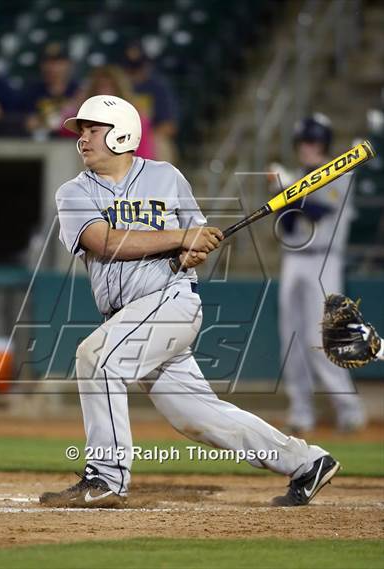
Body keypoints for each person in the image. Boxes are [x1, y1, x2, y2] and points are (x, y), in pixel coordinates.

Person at [40, 95, 340, 509]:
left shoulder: (166, 177)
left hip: (171, 303)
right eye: (81, 132)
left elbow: (196, 236)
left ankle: (106, 476)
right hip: (128, 315)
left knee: (96, 358)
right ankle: (306, 462)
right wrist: (181, 239)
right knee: (197, 416)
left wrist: (195, 248)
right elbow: (103, 242)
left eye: (93, 130)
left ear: (123, 133)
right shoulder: (73, 192)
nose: (83, 139)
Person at [273, 114, 365, 434]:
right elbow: (286, 223)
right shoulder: (297, 177)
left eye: (313, 142)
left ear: (324, 144)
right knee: (292, 339)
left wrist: (288, 190)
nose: (307, 148)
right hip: (293, 260)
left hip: (324, 261)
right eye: (303, 142)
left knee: (321, 338)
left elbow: (319, 212)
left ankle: (348, 410)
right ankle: (301, 411)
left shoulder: (339, 176)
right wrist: (286, 195)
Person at [59, 65, 156, 159]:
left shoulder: (134, 116)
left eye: (110, 86)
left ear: (119, 89)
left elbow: (141, 153)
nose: (104, 91)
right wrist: (75, 104)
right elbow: (65, 131)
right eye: (100, 86)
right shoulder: (87, 114)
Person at [121, 42, 178, 162]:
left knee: (160, 144)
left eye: (137, 68)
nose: (134, 73)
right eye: (130, 69)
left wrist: (145, 138)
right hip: (120, 137)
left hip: (150, 137)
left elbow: (169, 126)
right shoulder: (118, 88)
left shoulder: (157, 88)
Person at [22, 42, 78, 138]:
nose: (52, 68)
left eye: (58, 62)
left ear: (68, 64)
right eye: (48, 62)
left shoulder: (78, 92)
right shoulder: (31, 92)